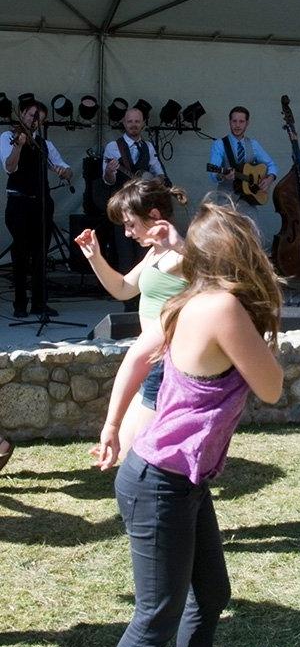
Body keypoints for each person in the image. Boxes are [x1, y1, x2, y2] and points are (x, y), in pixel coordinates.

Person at [91, 202, 283, 647]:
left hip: (177, 477)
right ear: (237, 253)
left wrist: (110, 424)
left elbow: (137, 355)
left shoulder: (190, 300)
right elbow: (270, 386)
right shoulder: (221, 306)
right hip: (161, 481)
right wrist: (266, 327)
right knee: (157, 612)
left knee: (211, 592)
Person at [75, 177, 188, 457]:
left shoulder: (180, 255)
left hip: (167, 364)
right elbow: (123, 289)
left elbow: (213, 270)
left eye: (130, 224)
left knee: (140, 459)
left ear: (154, 216)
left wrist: (181, 245)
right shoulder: (154, 253)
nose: (127, 233)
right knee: (125, 452)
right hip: (152, 362)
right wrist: (95, 257)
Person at [1, 99, 73, 318]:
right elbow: (9, 167)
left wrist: (63, 171)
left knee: (40, 254)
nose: (34, 122)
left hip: (41, 204)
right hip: (19, 203)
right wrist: (19, 146)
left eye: (39, 120)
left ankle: (40, 303)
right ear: (22, 113)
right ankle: (20, 304)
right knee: (20, 253)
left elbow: (65, 168)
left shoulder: (44, 144)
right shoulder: (7, 137)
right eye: (32, 116)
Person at [101, 105, 165, 279]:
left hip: (144, 207)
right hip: (123, 208)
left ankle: (142, 293)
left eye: (137, 121)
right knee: (125, 253)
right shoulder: (113, 147)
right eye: (130, 121)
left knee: (145, 252)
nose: (133, 125)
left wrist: (154, 183)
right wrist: (109, 171)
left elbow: (160, 174)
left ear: (143, 123)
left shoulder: (148, 147)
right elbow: (108, 181)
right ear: (123, 123)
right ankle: (128, 300)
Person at [208, 106, 278, 234]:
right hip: (226, 200)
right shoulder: (220, 144)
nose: (237, 125)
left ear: (247, 123)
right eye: (234, 121)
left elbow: (271, 165)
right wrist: (222, 176)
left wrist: (270, 178)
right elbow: (213, 174)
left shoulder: (253, 144)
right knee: (227, 238)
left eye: (241, 121)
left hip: (248, 201)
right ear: (229, 122)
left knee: (253, 236)